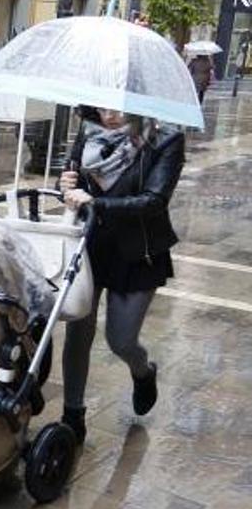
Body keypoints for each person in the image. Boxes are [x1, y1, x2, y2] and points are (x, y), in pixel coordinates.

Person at [57, 107, 184, 443]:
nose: (109, 114)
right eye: (103, 104)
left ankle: (143, 372)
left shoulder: (165, 139)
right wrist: (66, 183)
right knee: (78, 335)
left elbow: (154, 200)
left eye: (119, 107)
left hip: (137, 251)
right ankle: (73, 414)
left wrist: (98, 204)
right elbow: (75, 183)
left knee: (121, 339)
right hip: (90, 244)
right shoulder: (87, 130)